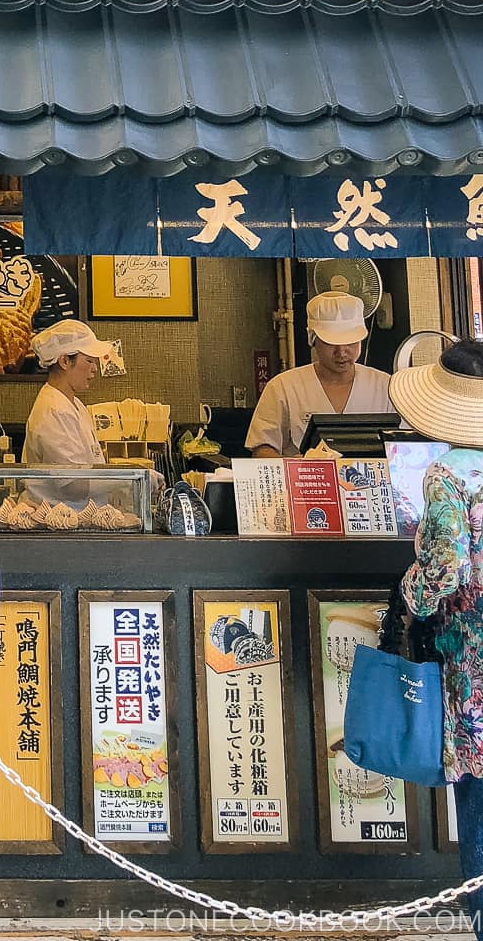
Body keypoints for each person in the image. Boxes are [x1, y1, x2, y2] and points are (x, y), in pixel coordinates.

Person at [392, 340, 483, 937]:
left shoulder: (449, 473)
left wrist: (410, 592)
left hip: (473, 659)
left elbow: (445, 569)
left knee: (478, 794)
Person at [245, 291, 394, 457]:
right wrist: (293, 466)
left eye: (350, 342)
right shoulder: (283, 387)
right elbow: (262, 448)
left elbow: (405, 446)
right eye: (331, 342)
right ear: (313, 339)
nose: (341, 352)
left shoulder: (386, 386)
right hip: (305, 474)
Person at [22, 319, 114, 469]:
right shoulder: (55, 411)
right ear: (65, 361)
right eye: (89, 361)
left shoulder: (75, 404)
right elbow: (72, 480)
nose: (95, 369)